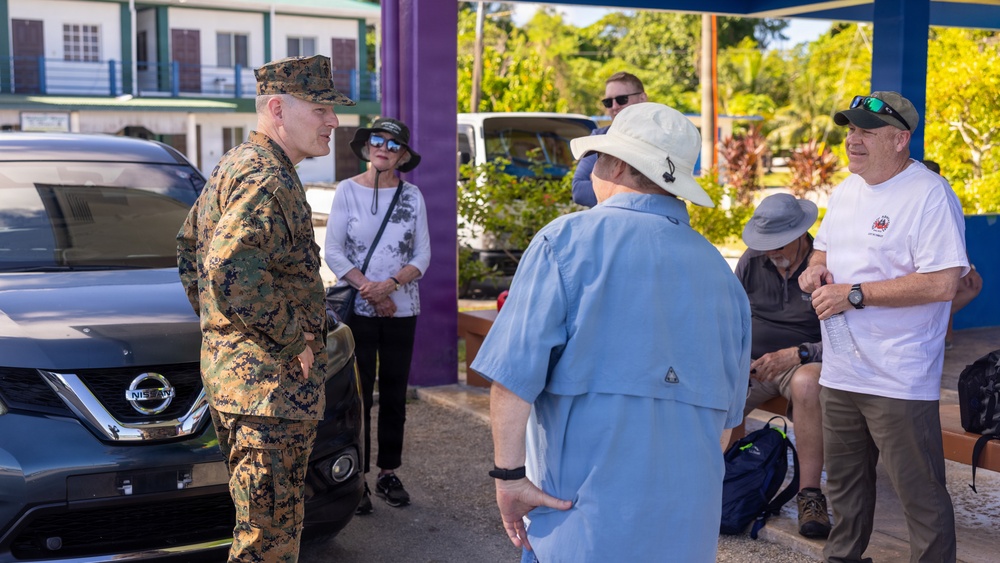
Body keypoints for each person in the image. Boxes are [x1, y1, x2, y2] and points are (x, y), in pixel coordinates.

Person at [471, 102, 751, 562]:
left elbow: (511, 383)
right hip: (686, 536)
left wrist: (510, 478)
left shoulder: (563, 243)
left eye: (598, 157)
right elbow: (724, 428)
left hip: (580, 530)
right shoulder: (723, 277)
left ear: (618, 164)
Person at [177, 54, 353, 562]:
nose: (333, 122)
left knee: (260, 530)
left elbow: (191, 252)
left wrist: (223, 331)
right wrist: (288, 340)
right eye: (321, 109)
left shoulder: (239, 164)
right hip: (269, 395)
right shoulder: (266, 177)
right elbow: (226, 267)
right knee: (269, 542)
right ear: (278, 107)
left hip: (247, 387)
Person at [800, 91, 969, 563]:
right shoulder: (846, 189)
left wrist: (855, 294)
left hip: (898, 375)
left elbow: (942, 284)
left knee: (921, 497)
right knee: (847, 492)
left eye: (866, 132)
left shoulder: (929, 195)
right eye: (850, 130)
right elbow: (823, 250)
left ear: (900, 139)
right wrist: (814, 269)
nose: (853, 140)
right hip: (840, 372)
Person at [323, 117, 431, 515]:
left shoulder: (412, 197)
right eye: (376, 141)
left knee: (395, 396)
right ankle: (357, 479)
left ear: (402, 155)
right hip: (358, 310)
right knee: (358, 396)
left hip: (403, 309)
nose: (382, 148)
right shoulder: (346, 191)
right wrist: (371, 288)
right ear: (367, 148)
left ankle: (387, 473)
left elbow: (423, 256)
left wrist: (390, 287)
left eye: (392, 144)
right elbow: (333, 251)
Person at [737, 193, 831, 539]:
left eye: (779, 244)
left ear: (801, 236)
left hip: (803, 361)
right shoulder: (751, 261)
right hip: (756, 363)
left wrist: (798, 354)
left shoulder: (825, 266)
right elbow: (733, 317)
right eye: (767, 244)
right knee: (721, 380)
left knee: (809, 383)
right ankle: (724, 479)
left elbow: (845, 339)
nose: (771, 251)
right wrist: (739, 354)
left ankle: (810, 495)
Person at [921, 160, 984, 348]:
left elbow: (955, 239)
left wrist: (969, 268)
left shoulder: (944, 196)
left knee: (964, 288)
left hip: (944, 265)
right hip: (919, 266)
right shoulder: (911, 199)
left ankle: (942, 337)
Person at [570, 71, 647, 207]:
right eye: (608, 102)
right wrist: (638, 189)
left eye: (622, 99)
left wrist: (602, 183)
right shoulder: (599, 137)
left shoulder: (658, 137)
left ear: (642, 98)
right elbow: (579, 191)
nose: (614, 107)